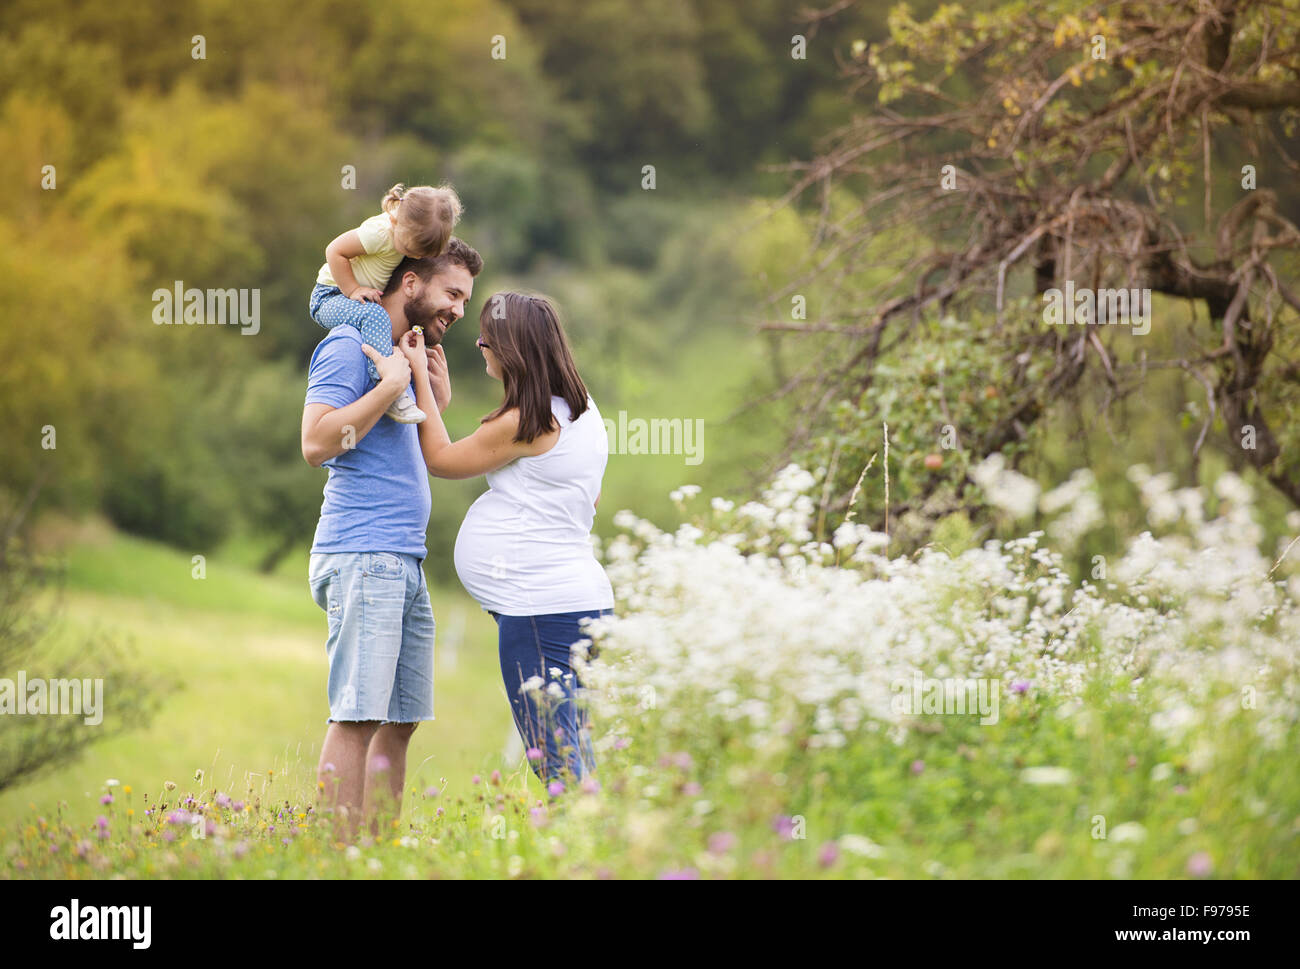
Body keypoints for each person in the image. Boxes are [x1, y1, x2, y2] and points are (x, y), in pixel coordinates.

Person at [300, 238, 483, 836]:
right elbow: (316, 443)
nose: (458, 309)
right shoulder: (349, 346)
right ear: (411, 284)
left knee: (399, 720)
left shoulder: (402, 352)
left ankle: (375, 853)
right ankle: (332, 857)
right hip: (362, 551)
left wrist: (429, 393)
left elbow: (418, 447)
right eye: (452, 293)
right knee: (357, 716)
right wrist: (389, 386)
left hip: (402, 558)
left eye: (464, 298)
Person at [405, 292, 614, 786]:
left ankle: (589, 856)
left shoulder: (529, 419)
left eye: (486, 339)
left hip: (541, 610)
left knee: (555, 759)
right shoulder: (583, 413)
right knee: (572, 748)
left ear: (511, 348)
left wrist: (419, 377)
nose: (480, 346)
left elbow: (441, 459)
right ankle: (601, 848)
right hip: (578, 603)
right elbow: (591, 501)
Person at [309, 182, 463, 424]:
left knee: (377, 318)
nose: (413, 256)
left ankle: (396, 387)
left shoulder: (409, 232)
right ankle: (386, 382)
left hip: (349, 297)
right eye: (410, 249)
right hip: (329, 296)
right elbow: (334, 250)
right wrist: (353, 289)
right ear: (398, 221)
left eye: (421, 255)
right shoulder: (379, 233)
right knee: (374, 315)